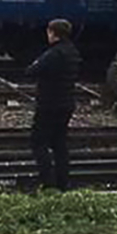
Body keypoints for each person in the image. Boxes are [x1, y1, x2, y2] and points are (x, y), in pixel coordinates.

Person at [25, 19, 81, 191]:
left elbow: (32, 71)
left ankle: (47, 182)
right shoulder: (72, 51)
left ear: (52, 33)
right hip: (66, 103)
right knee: (59, 143)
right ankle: (63, 182)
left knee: (38, 142)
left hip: (49, 104)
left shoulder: (54, 53)